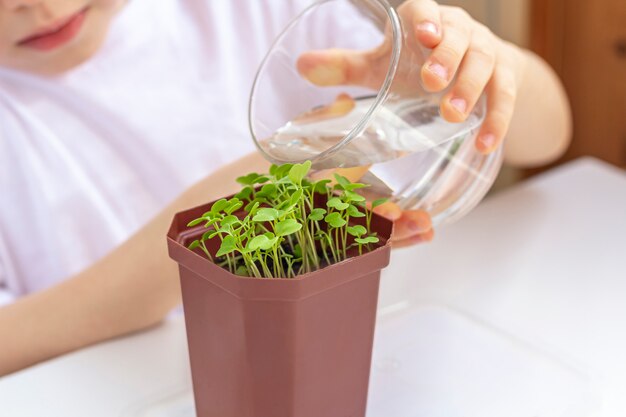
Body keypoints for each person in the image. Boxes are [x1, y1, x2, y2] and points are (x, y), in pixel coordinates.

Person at [0, 0, 571, 376]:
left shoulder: (249, 11)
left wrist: (487, 65)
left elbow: (547, 136)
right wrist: (273, 194)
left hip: (386, 355)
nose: (36, 5)